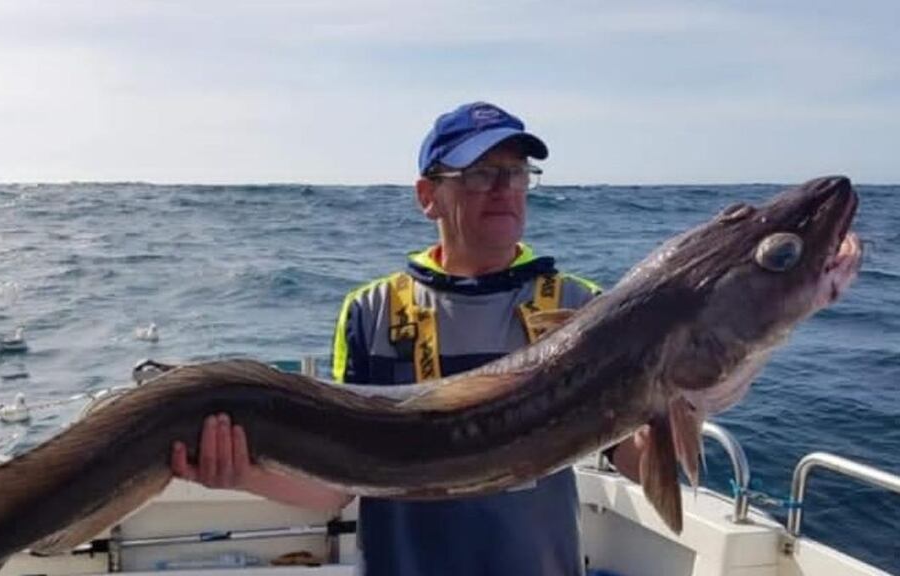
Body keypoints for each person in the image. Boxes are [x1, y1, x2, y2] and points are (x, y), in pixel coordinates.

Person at [171, 101, 646, 576]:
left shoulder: (579, 307)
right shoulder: (371, 313)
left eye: (517, 172)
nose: (504, 189)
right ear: (429, 195)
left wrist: (676, 400)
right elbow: (339, 487)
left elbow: (629, 456)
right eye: (480, 173)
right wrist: (244, 474)